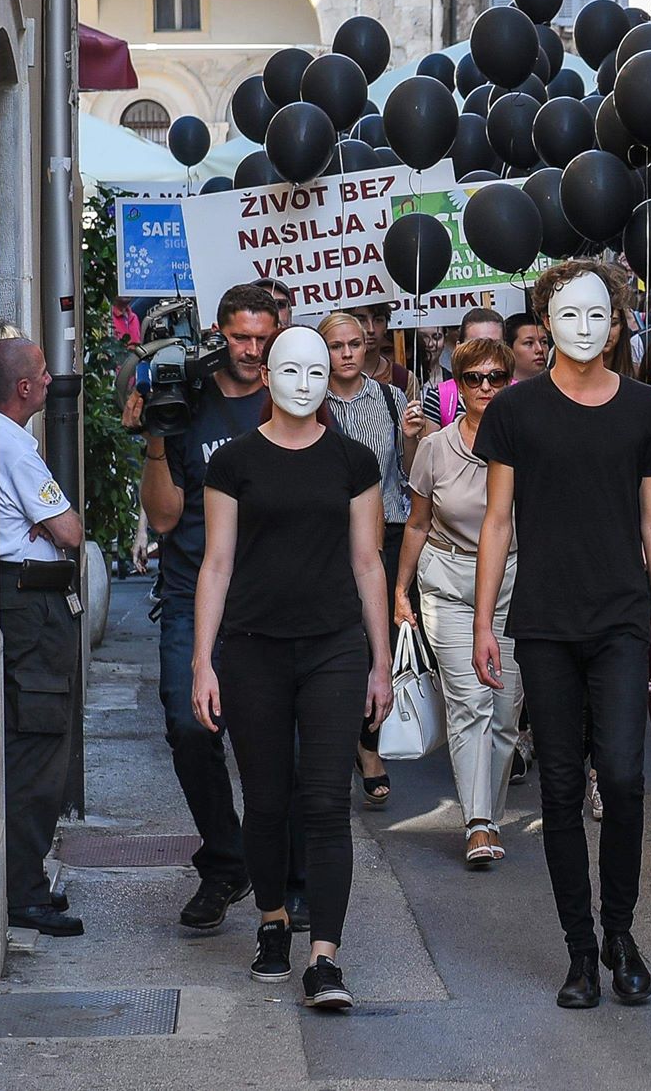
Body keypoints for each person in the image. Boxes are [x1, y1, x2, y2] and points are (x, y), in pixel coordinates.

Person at [472, 261, 651, 1009]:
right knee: (560, 788)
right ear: (547, 319)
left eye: (600, 316)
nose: (585, 329)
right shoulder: (516, 412)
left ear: (618, 322)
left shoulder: (647, 410)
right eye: (570, 315)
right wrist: (482, 619)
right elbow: (498, 519)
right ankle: (580, 952)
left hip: (624, 617)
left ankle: (619, 932)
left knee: (624, 777)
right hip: (545, 621)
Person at [192, 324, 395, 1010]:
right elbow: (215, 565)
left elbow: (369, 561)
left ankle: (326, 959)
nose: (305, 383)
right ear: (267, 375)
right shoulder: (235, 463)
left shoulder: (354, 462)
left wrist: (382, 661)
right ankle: (274, 921)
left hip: (335, 646)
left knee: (325, 804)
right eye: (291, 370)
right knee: (268, 799)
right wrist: (203, 662)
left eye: (317, 371)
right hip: (252, 647)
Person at [132, 282, 288, 932]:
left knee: (284, 749)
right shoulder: (188, 402)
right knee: (190, 729)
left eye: (263, 338)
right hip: (191, 589)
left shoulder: (291, 397)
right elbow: (165, 517)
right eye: (240, 338)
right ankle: (227, 860)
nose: (252, 351)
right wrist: (159, 437)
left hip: (272, 598)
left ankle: (288, 873)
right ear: (219, 334)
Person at [395, 337, 519, 867]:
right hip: (447, 579)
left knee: (507, 710)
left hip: (514, 580)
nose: (486, 388)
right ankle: (478, 822)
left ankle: (488, 810)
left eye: (496, 378)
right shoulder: (435, 447)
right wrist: (400, 589)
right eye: (475, 378)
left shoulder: (526, 440)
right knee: (471, 703)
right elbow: (418, 523)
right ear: (458, 385)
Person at [0, 338, 88, 938]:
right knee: (38, 740)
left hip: (21, 598)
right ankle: (23, 888)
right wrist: (57, 528)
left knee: (32, 739)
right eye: (43, 372)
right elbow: (70, 530)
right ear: (25, 389)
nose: (53, 379)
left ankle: (24, 879)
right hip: (31, 603)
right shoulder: (12, 446)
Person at [321, 310, 413, 811]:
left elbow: (411, 474)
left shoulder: (391, 398)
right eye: (338, 346)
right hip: (336, 535)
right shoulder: (312, 402)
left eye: (356, 343)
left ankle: (368, 739)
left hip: (391, 529)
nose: (350, 352)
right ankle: (363, 749)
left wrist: (415, 438)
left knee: (388, 639)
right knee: (349, 641)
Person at [353, 303, 411, 393]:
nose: (371, 329)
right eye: (361, 320)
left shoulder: (403, 379)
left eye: (378, 320)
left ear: (386, 327)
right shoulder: (331, 377)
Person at [504, 312, 550, 382]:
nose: (540, 349)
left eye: (543, 342)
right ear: (508, 348)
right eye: (529, 343)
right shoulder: (497, 389)